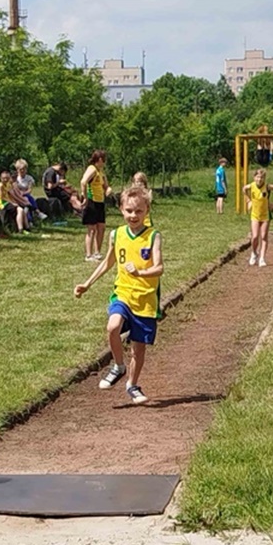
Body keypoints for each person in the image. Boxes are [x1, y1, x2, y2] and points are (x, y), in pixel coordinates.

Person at [74, 186, 163, 405]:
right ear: (121, 209)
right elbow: (108, 262)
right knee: (112, 327)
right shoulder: (117, 234)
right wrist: (87, 284)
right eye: (129, 210)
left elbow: (159, 268)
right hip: (122, 293)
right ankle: (118, 366)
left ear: (147, 211)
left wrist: (140, 272)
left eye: (139, 211)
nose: (133, 215)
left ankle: (132, 384)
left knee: (138, 347)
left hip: (145, 300)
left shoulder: (153, 236)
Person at [242, 169, 273, 267]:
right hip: (255, 214)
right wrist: (248, 200)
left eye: (261, 177)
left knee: (264, 236)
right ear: (254, 177)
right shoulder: (251, 186)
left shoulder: (267, 187)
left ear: (264, 178)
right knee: (255, 236)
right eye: (257, 177)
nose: (259, 179)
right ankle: (254, 253)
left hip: (265, 215)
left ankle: (262, 258)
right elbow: (244, 189)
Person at [80, 149, 112, 262]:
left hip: (100, 202)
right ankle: (89, 255)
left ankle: (97, 252)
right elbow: (83, 182)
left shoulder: (101, 172)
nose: (105, 162)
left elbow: (106, 186)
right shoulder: (92, 169)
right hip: (92, 201)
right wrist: (84, 197)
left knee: (101, 227)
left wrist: (108, 189)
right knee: (92, 229)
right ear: (99, 160)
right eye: (104, 160)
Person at [13, 158, 40, 224]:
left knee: (28, 200)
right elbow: (15, 188)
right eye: (20, 169)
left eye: (24, 169)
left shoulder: (29, 178)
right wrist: (20, 194)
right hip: (18, 196)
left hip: (26, 195)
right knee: (27, 200)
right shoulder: (15, 178)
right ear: (17, 170)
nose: (22, 171)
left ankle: (30, 219)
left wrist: (23, 193)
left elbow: (30, 190)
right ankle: (37, 211)